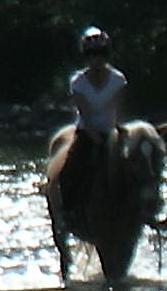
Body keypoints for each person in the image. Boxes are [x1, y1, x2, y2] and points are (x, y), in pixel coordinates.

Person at [52, 27, 128, 220]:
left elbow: (118, 113)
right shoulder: (78, 82)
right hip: (87, 132)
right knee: (71, 167)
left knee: (136, 166)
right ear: (85, 57)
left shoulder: (118, 80)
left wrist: (116, 136)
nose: (96, 59)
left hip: (111, 132)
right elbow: (85, 114)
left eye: (101, 54)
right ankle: (68, 210)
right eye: (91, 54)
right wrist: (97, 138)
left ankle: (142, 208)